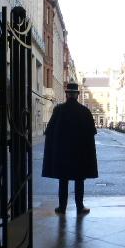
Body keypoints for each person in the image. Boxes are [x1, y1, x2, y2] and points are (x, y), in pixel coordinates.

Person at [42, 81, 98, 215]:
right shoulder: (85, 111)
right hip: (79, 154)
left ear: (67, 94)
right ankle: (80, 207)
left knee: (63, 180)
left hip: (63, 154)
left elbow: (49, 131)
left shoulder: (59, 110)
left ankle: (62, 208)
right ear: (77, 95)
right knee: (79, 180)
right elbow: (92, 132)